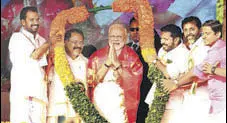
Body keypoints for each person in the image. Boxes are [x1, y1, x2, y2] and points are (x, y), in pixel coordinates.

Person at [163, 20, 226, 123]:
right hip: (207, 98)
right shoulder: (215, 47)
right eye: (203, 33)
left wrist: (176, 83)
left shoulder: (216, 50)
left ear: (217, 34)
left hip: (213, 99)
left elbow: (197, 71)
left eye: (207, 33)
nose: (204, 37)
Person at [87, 23, 143, 123]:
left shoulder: (132, 57)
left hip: (122, 103)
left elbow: (135, 82)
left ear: (125, 38)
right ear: (108, 37)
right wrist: (108, 62)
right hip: (100, 100)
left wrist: (117, 65)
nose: (115, 39)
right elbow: (91, 81)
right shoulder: (97, 56)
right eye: (113, 36)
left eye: (119, 36)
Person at [8, 6, 50, 123]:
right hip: (23, 97)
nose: (36, 23)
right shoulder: (17, 38)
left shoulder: (41, 40)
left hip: (40, 96)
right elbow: (34, 55)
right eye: (31, 20)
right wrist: (50, 42)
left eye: (37, 19)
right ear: (23, 22)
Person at [145, 24, 189, 123]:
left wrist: (156, 61)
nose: (162, 42)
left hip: (172, 102)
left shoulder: (183, 53)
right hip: (156, 97)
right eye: (161, 39)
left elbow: (169, 74)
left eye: (165, 39)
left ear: (176, 40)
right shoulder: (163, 49)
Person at [47, 29, 88, 123]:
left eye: (81, 42)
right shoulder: (56, 59)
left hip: (78, 113)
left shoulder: (85, 62)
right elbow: (47, 83)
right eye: (75, 42)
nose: (78, 45)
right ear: (65, 42)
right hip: (58, 110)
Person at [126, 17, 161, 123]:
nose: (135, 32)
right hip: (128, 97)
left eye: (138, 29)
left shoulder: (152, 48)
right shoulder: (125, 48)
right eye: (132, 29)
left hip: (144, 93)